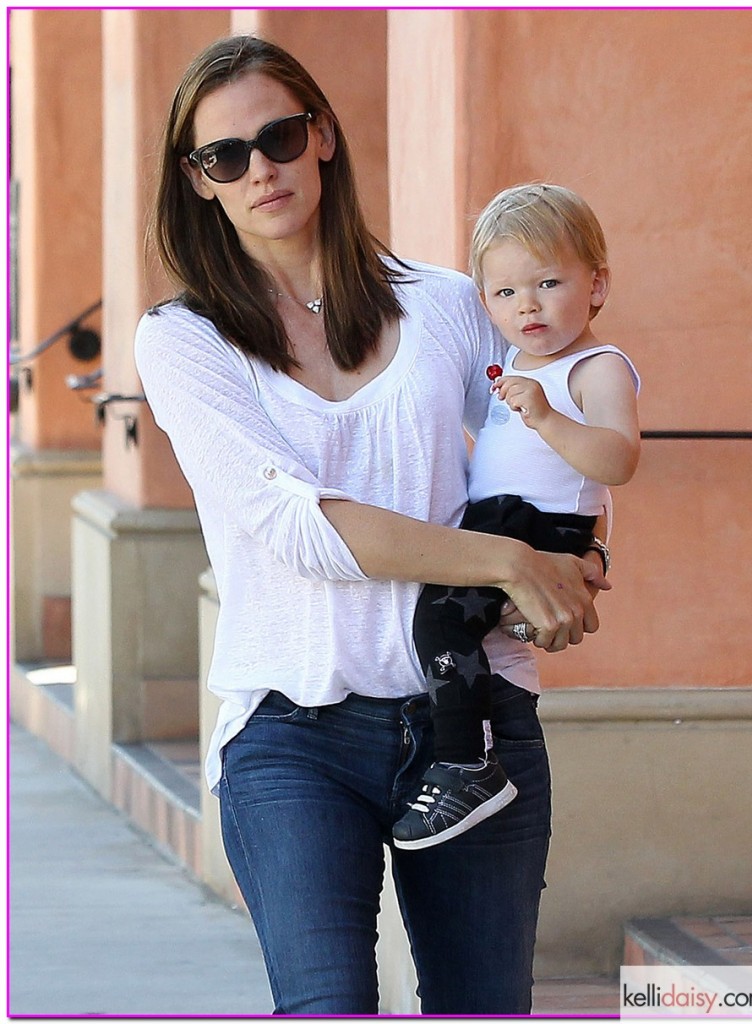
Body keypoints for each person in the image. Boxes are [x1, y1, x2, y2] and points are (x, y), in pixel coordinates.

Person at [134, 36, 608, 1016]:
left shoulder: (447, 307)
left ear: (323, 137)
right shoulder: (184, 342)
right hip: (292, 732)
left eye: (277, 135)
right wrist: (508, 558)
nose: (259, 166)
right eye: (225, 156)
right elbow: (295, 524)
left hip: (474, 721)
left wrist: (580, 556)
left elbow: (543, 442)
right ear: (199, 183)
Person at [394, 183, 641, 851]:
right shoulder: (511, 368)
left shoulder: (596, 367)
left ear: (596, 285)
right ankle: (460, 749)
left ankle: (466, 765)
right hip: (499, 521)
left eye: (548, 281)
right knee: (453, 621)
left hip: (540, 526)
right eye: (503, 293)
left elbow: (616, 461)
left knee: (441, 619)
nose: (525, 303)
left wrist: (547, 415)